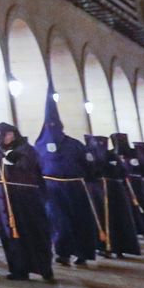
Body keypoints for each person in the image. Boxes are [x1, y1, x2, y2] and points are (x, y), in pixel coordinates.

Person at [34, 93, 99, 267]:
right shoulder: (39, 146)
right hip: (51, 189)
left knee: (80, 220)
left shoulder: (74, 144)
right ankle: (63, 252)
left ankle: (82, 252)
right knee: (59, 222)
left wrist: (87, 178)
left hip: (75, 187)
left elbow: (88, 164)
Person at [0, 122, 54, 282]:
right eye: (5, 135)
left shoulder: (26, 150)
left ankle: (44, 268)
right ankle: (19, 269)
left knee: (34, 232)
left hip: (26, 199)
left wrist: (14, 159)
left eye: (11, 134)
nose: (9, 137)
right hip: (5, 201)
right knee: (11, 236)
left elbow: (31, 166)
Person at [86, 135, 140, 258]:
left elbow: (123, 171)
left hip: (114, 190)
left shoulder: (111, 156)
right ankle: (105, 246)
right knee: (103, 217)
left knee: (118, 217)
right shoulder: (93, 157)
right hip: (100, 191)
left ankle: (119, 247)